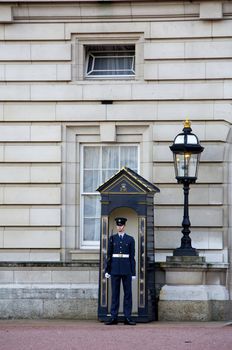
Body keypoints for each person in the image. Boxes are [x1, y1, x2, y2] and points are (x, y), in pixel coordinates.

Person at [104, 217, 136, 325]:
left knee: (128, 294)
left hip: (126, 269)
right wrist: (107, 270)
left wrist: (133, 272)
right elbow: (109, 256)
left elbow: (132, 257)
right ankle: (114, 317)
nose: (119, 227)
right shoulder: (112, 238)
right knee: (115, 294)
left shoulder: (130, 239)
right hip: (115, 269)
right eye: (118, 225)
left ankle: (127, 317)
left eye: (121, 225)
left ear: (124, 226)